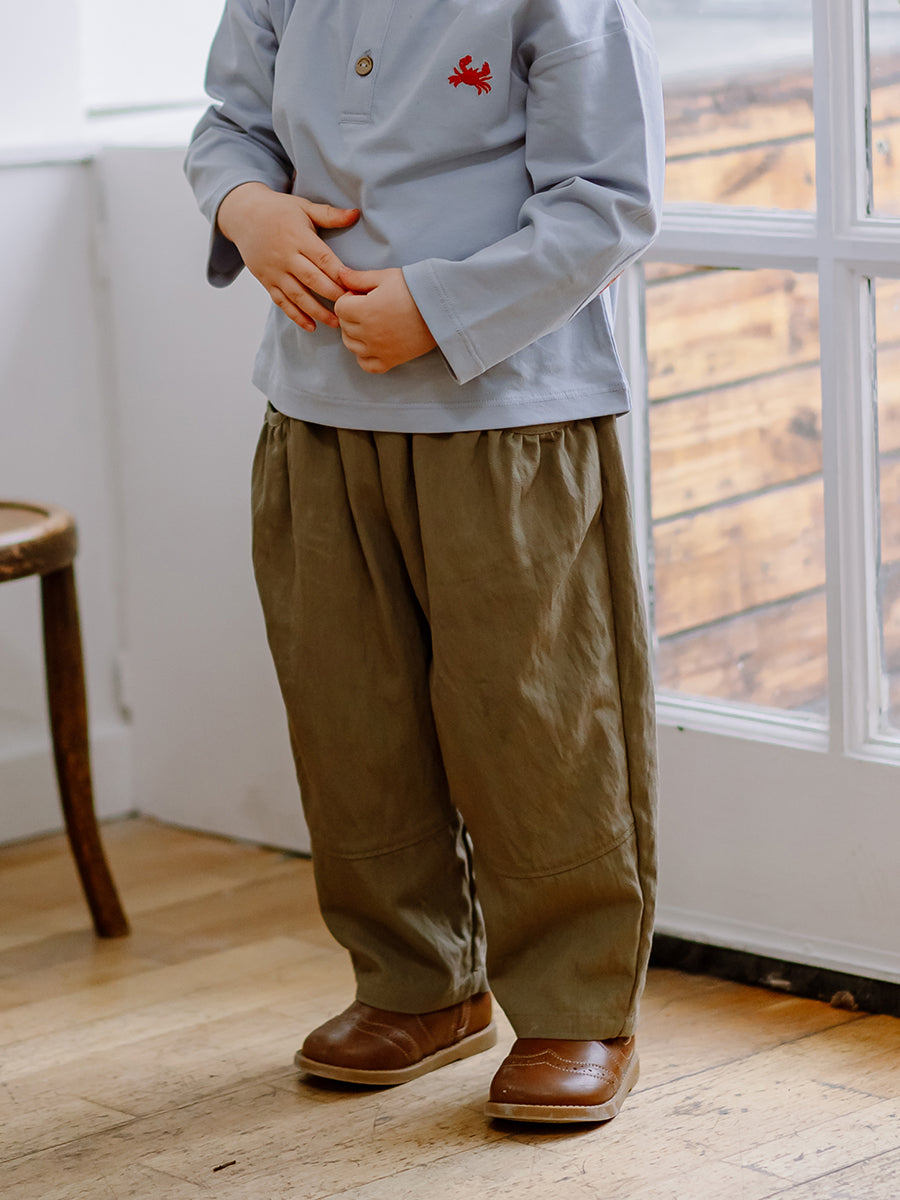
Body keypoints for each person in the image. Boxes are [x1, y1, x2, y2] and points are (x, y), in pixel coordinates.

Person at [185, 0, 664, 1124]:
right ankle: (418, 983)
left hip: (506, 417)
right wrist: (247, 207)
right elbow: (228, 125)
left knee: (537, 725)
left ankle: (576, 1009)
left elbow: (608, 202)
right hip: (315, 411)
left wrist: (439, 309)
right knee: (351, 721)